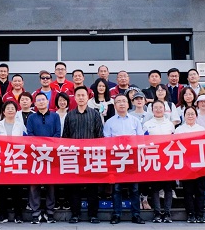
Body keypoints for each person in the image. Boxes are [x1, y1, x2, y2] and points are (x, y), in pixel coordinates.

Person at [62, 86, 104, 224]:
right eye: (78, 95)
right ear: (74, 97)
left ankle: (93, 215)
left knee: (92, 187)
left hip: (91, 156)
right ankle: (75, 214)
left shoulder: (95, 114)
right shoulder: (70, 115)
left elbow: (99, 136)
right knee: (75, 187)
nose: (81, 97)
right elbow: (65, 137)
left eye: (83, 95)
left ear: (88, 97)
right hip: (74, 157)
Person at [103, 94, 145, 225]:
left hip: (132, 159)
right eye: (118, 102)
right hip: (116, 160)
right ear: (115, 105)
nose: (121, 104)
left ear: (128, 104)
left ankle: (136, 215)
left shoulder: (135, 121)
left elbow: (141, 139)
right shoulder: (109, 122)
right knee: (117, 189)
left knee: (134, 189)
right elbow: (106, 141)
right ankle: (116, 214)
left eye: (124, 101)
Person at [26, 93, 61, 224]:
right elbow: (30, 134)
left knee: (51, 184)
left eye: (43, 100)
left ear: (47, 101)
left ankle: (50, 212)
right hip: (35, 155)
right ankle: (35, 212)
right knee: (34, 184)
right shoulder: (31, 117)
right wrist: (39, 146)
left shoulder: (55, 116)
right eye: (38, 100)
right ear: (35, 103)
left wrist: (48, 146)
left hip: (51, 154)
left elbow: (58, 133)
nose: (41, 102)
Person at [0, 101, 26, 223]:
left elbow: (26, 141)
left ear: (16, 111)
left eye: (13, 108)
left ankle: (18, 215)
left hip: (17, 160)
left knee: (17, 189)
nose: (10, 110)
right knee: (2, 189)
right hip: (2, 160)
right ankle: (2, 215)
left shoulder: (21, 126)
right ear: (3, 111)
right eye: (8, 108)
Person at [143, 100, 175, 223]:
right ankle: (157, 213)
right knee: (155, 188)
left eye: (160, 107)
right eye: (155, 107)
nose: (158, 109)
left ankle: (167, 213)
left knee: (168, 188)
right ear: (152, 110)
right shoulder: (147, 124)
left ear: (164, 109)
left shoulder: (170, 125)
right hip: (154, 159)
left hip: (168, 159)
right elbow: (144, 141)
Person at [175, 106, 205, 223]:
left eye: (192, 114)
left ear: (196, 116)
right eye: (187, 114)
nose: (190, 116)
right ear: (184, 116)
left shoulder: (202, 129)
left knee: (200, 191)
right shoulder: (179, 130)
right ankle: (190, 214)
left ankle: (200, 214)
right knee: (188, 191)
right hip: (186, 165)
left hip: (200, 165)